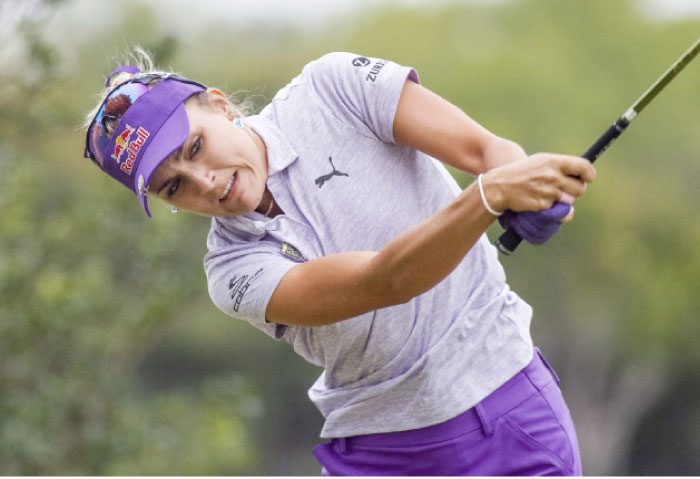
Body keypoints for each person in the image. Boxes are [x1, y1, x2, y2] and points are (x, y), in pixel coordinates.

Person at [83, 48, 595, 476]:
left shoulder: (330, 89)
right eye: (175, 186)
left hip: (508, 409)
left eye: (196, 147)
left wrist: (526, 189)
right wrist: (486, 198)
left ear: (220, 105)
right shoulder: (231, 271)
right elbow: (386, 282)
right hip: (384, 453)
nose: (207, 183)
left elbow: (485, 150)